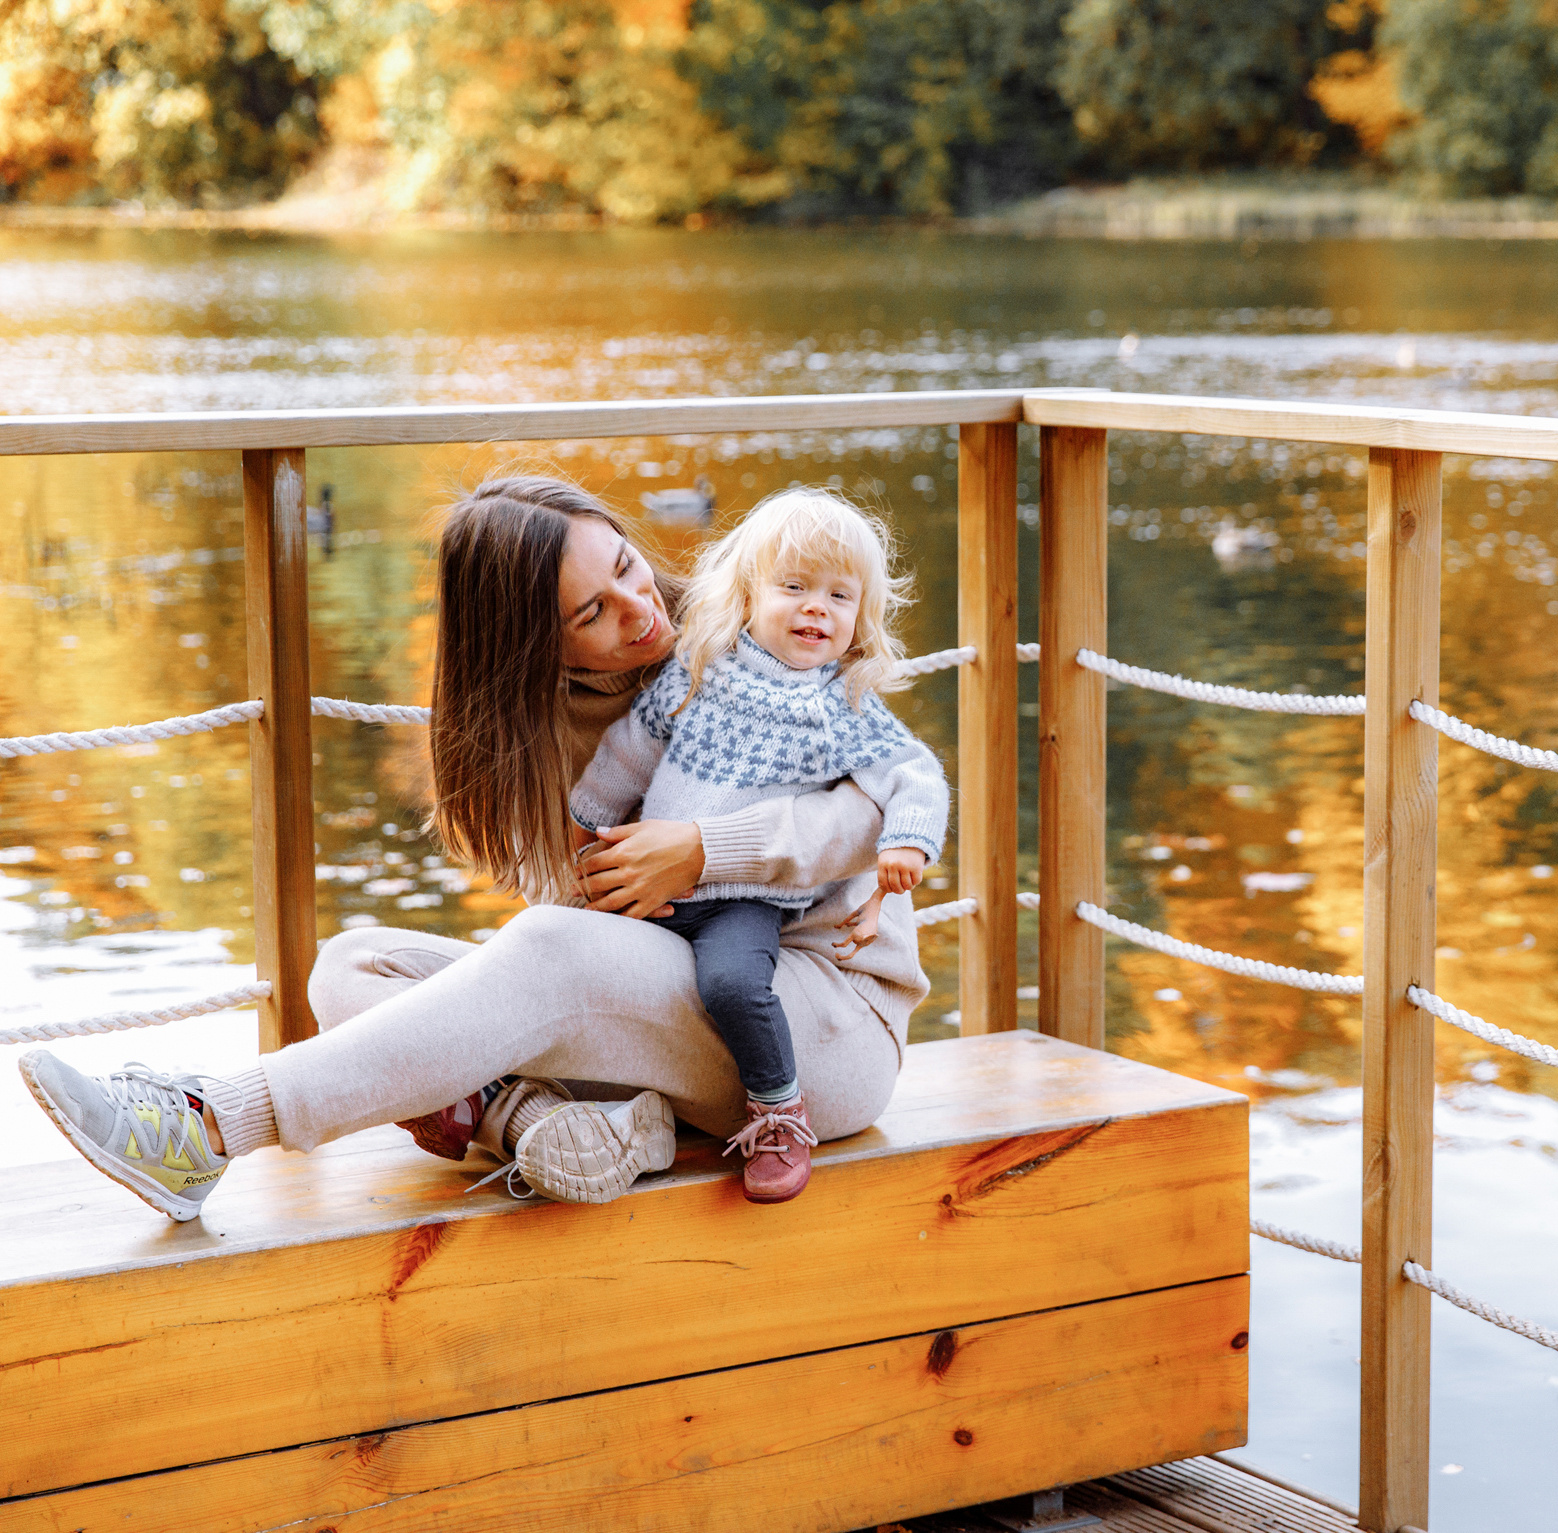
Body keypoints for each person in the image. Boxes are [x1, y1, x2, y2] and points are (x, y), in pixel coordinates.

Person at [18, 474, 926, 1223]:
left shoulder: (751, 634)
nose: (641, 608)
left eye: (628, 565)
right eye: (593, 612)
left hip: (816, 1029)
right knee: (349, 969)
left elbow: (871, 815)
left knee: (542, 948)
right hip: (671, 1027)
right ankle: (563, 1127)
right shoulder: (527, 747)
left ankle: (210, 1126)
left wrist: (702, 848)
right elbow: (582, 942)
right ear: (536, 643)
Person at [570, 487, 946, 1204]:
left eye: (839, 595)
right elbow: (630, 748)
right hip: (657, 885)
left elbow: (914, 773)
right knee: (577, 951)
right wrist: (586, 819)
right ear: (747, 595)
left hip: (746, 899)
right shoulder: (700, 667)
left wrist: (908, 843)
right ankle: (529, 1093)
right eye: (796, 587)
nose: (816, 608)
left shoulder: (843, 703)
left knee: (733, 985)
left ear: (859, 616)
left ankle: (779, 1110)